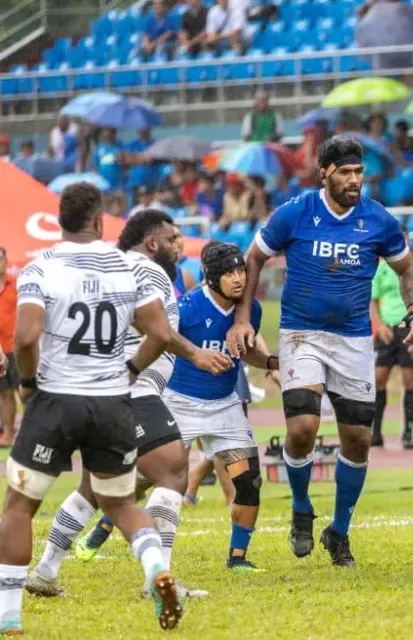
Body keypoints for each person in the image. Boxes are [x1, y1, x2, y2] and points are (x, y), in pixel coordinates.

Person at [226, 137, 413, 568]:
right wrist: (243, 321)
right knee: (302, 427)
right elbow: (253, 259)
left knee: (357, 439)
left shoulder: (378, 220)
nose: (355, 181)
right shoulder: (295, 213)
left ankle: (339, 531)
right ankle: (301, 507)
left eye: (359, 173)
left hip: (353, 340)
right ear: (325, 174)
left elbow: (406, 269)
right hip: (302, 334)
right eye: (346, 173)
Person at [0, 183, 182, 633]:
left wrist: (26, 383)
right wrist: (131, 371)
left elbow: (25, 338)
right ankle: (156, 568)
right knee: (119, 502)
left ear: (59, 221)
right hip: (113, 402)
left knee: (20, 506)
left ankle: (8, 616)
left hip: (56, 399)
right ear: (100, 222)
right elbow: (158, 333)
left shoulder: (41, 265)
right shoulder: (125, 266)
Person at [28, 212, 231, 598]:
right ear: (151, 243)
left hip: (93, 388)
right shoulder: (147, 269)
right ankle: (158, 579)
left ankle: (46, 571)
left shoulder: (109, 267)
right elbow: (160, 333)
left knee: (96, 486)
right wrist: (196, 355)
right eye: (172, 239)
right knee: (172, 470)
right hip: (129, 389)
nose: (178, 245)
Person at [164, 242, 277, 571]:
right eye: (229, 273)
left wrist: (270, 361)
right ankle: (102, 528)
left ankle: (238, 557)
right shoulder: (186, 307)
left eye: (241, 270)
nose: (238, 278)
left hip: (225, 405)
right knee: (150, 479)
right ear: (210, 278)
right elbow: (164, 340)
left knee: (249, 481)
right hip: (179, 404)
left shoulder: (249, 309)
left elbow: (247, 348)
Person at [370, 230, 413, 450]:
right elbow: (374, 299)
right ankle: (376, 432)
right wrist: (378, 325)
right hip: (387, 330)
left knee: (409, 380)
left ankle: (408, 432)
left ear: (408, 241)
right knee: (379, 377)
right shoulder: (382, 268)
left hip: (409, 328)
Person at [0, 246, 17, 446]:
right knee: (4, 392)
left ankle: (31, 433)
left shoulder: (17, 285)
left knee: (25, 390)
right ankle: (9, 434)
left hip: (17, 345)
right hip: (0, 348)